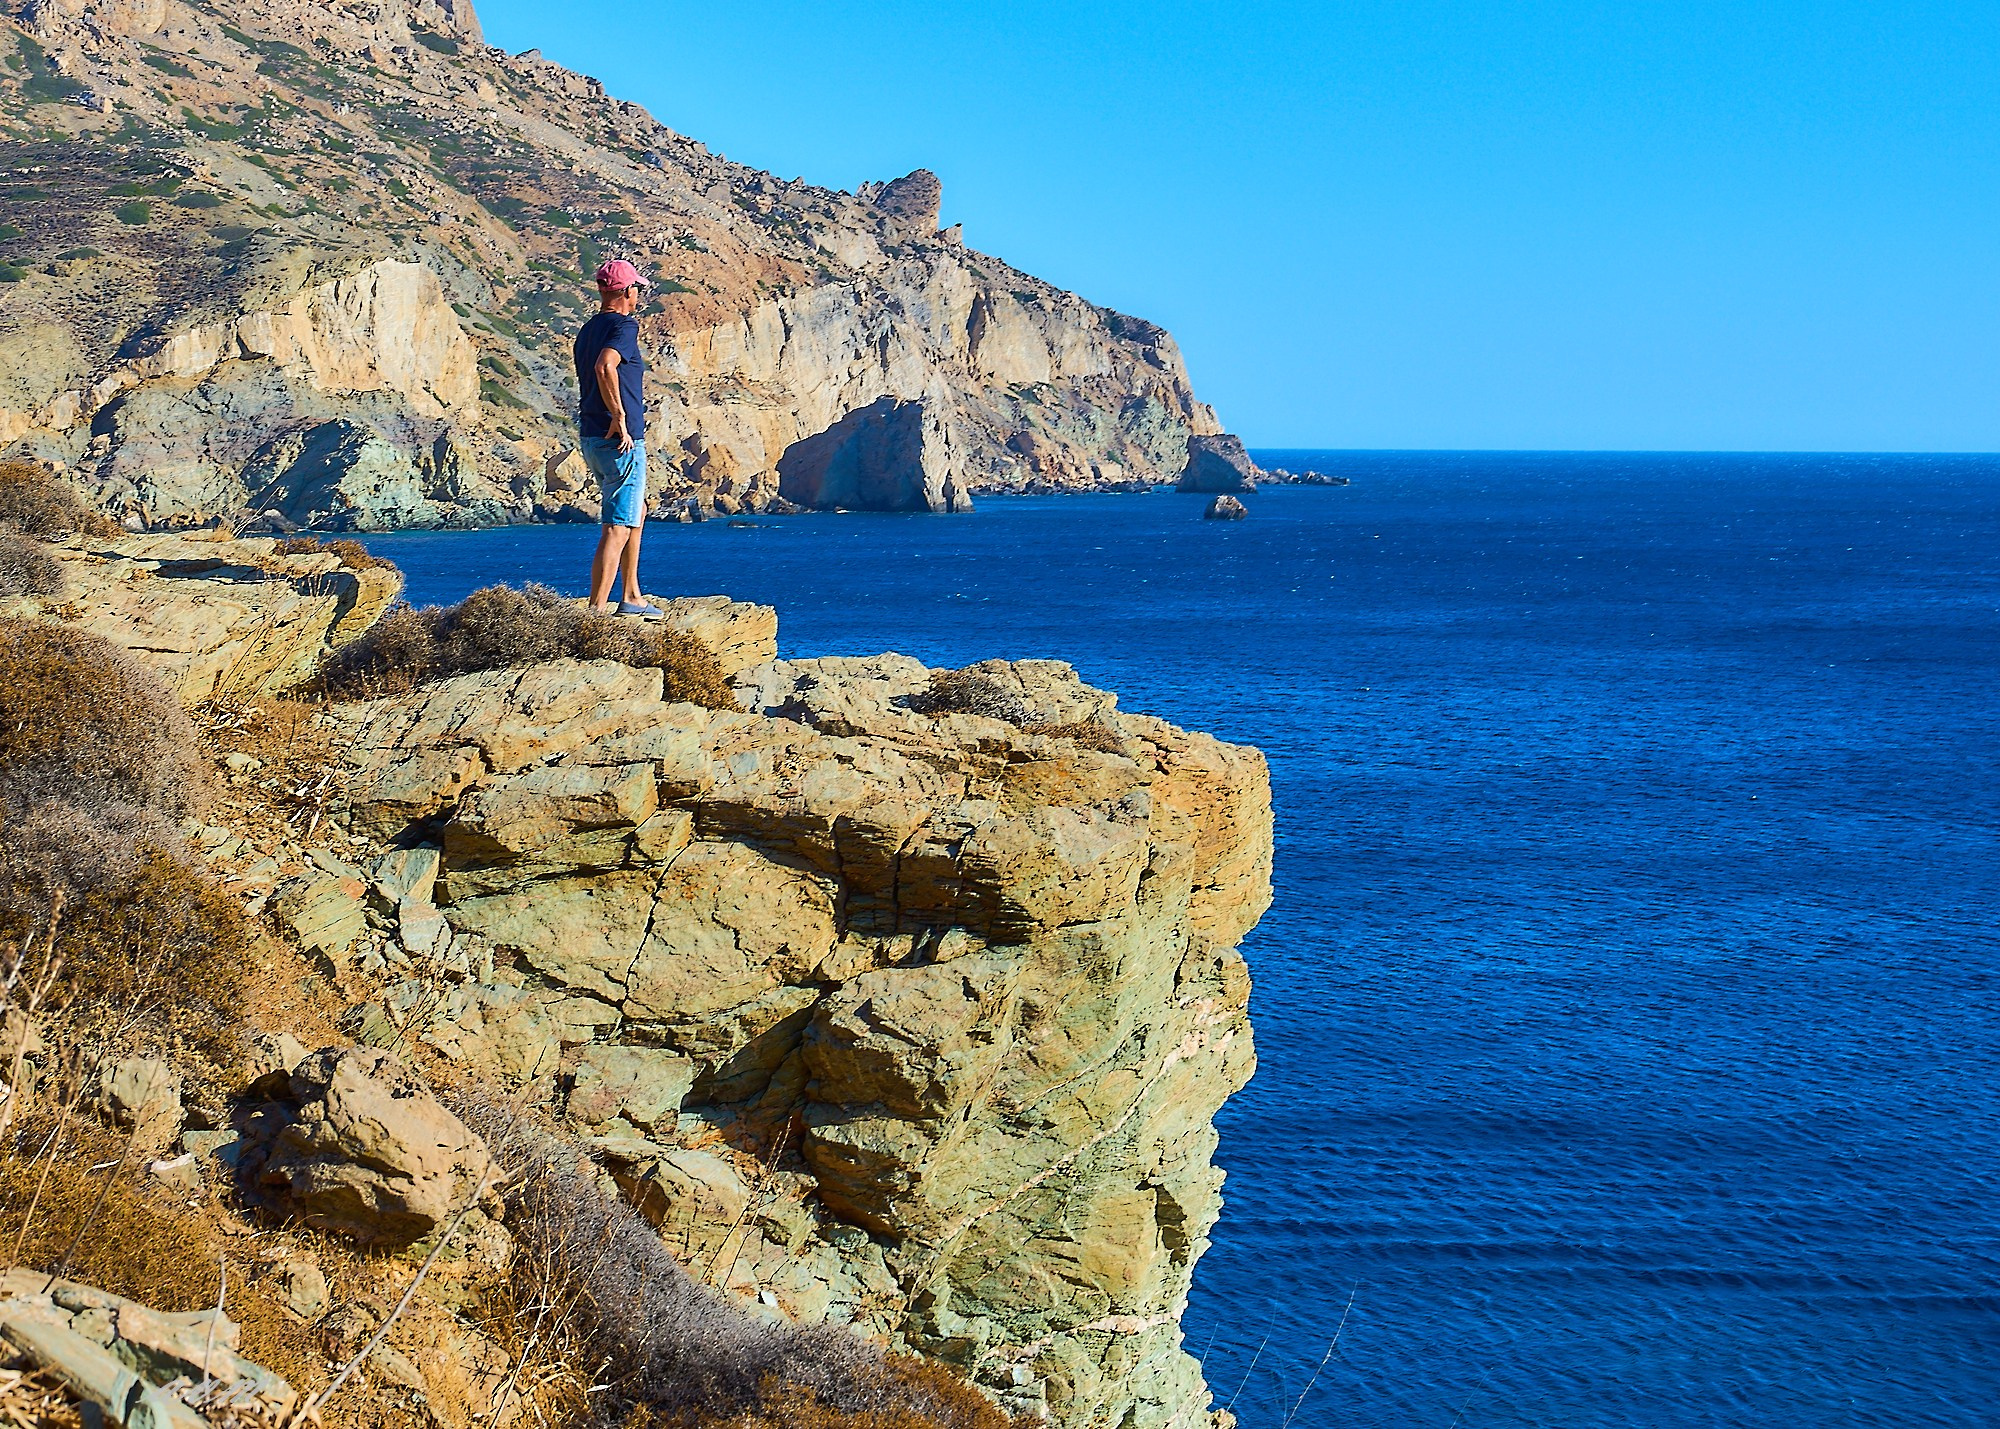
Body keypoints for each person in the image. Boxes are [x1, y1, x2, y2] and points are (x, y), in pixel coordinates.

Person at [575, 259, 663, 616]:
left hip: (592, 437)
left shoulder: (587, 330)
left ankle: (632, 594)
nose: (638, 294)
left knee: (635, 511)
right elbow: (604, 366)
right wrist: (621, 417)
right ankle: (596, 611)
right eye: (636, 288)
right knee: (617, 524)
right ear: (628, 291)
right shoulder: (625, 326)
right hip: (619, 438)